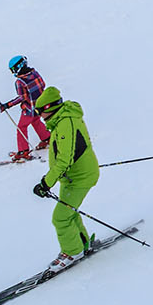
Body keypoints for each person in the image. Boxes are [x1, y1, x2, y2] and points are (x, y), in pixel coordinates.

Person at [30, 86, 100, 271]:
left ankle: (72, 251)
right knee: (70, 212)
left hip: (79, 178)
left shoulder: (65, 124)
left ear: (49, 108)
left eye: (39, 111)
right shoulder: (61, 120)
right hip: (71, 177)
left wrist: (46, 183)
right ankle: (82, 243)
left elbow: (64, 159)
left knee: (60, 218)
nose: (38, 116)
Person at [0, 55, 50, 161]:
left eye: (13, 69)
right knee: (36, 121)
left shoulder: (20, 82)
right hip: (40, 106)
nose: (13, 72)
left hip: (29, 109)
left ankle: (23, 151)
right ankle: (46, 138)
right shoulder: (35, 73)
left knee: (21, 127)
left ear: (19, 67)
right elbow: (42, 85)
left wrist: (7, 105)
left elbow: (22, 98)